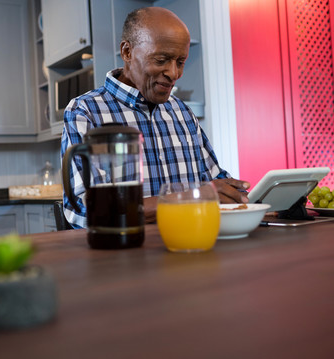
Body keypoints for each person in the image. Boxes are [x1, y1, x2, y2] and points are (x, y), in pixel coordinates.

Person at [61, 6, 250, 229]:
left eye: (180, 62)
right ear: (127, 52)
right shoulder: (85, 111)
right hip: (125, 255)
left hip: (189, 245)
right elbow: (84, 209)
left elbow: (216, 181)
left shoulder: (182, 112)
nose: (174, 74)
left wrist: (247, 194)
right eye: (161, 60)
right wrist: (192, 198)